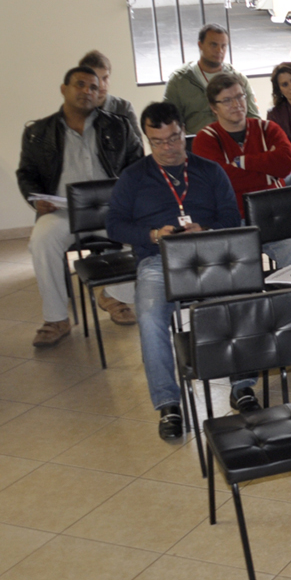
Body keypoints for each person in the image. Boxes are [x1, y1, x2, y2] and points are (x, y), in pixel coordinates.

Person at [105, 102, 257, 440]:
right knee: (148, 314)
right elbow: (114, 226)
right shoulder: (134, 177)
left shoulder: (209, 170)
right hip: (159, 260)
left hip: (209, 255)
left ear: (182, 133)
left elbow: (233, 216)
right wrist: (152, 235)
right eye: (158, 142)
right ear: (148, 140)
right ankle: (168, 403)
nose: (169, 148)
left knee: (240, 298)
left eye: (174, 138)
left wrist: (204, 229)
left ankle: (242, 386)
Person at [17, 66, 144, 346]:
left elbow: (138, 167)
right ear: (64, 89)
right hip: (62, 212)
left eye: (94, 87)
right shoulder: (39, 132)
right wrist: (36, 200)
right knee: (41, 241)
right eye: (80, 85)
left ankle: (115, 297)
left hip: (111, 210)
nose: (87, 91)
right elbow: (26, 173)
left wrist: (129, 198)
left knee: (139, 233)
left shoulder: (118, 126)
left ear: (100, 93)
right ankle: (56, 318)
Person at [192, 73, 291, 266]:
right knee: (237, 273)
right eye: (227, 100)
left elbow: (287, 164)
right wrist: (267, 173)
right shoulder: (205, 139)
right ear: (214, 108)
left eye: (240, 96)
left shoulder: (268, 128)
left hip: (272, 215)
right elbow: (221, 182)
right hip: (232, 219)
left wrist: (243, 162)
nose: (237, 104)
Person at [163, 23, 259, 134]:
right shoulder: (179, 81)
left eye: (223, 46)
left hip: (234, 143)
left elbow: (254, 118)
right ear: (200, 45)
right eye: (214, 45)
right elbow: (168, 123)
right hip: (197, 145)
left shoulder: (238, 79)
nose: (219, 50)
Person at [79, 50, 141, 138]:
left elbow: (138, 148)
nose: (101, 85)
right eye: (95, 79)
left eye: (105, 78)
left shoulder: (124, 108)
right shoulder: (76, 110)